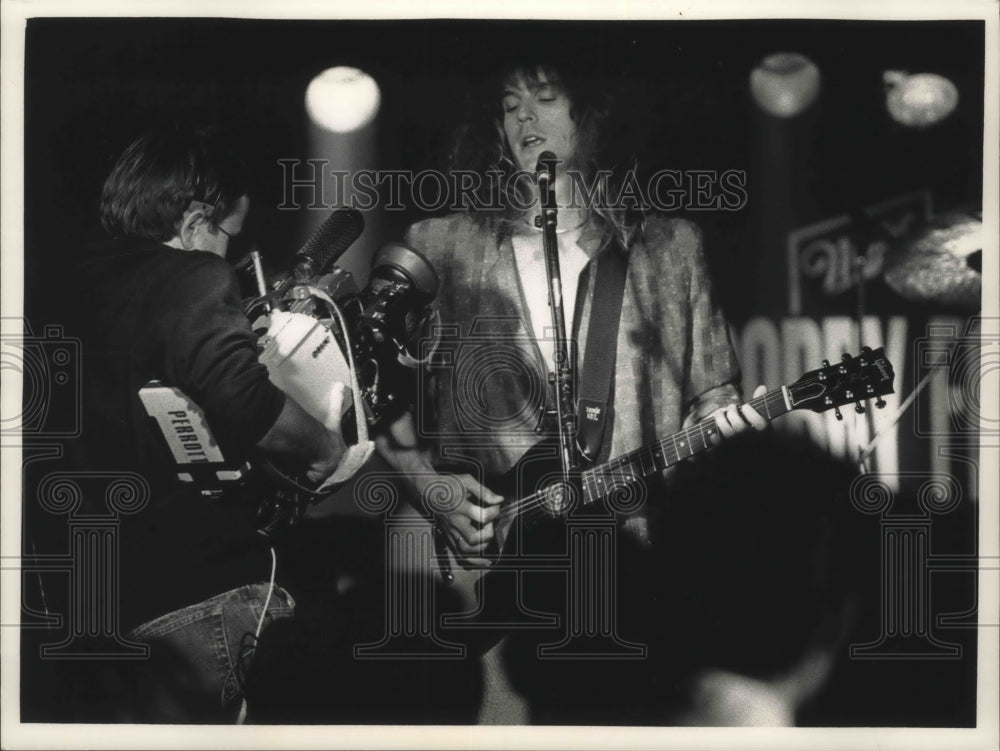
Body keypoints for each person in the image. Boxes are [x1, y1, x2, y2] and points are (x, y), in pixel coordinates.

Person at [375, 61, 768, 722]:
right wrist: (431, 489)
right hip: (493, 562)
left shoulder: (667, 246)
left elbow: (711, 395)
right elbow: (375, 398)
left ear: (593, 117)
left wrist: (730, 425)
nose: (523, 119)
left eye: (545, 98)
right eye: (508, 105)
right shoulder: (442, 245)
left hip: (634, 558)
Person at [22, 125, 345, 723]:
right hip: (201, 597)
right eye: (228, 234)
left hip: (87, 621)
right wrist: (325, 447)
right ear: (197, 220)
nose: (225, 253)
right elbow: (246, 402)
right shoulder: (191, 276)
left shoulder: (55, 288)